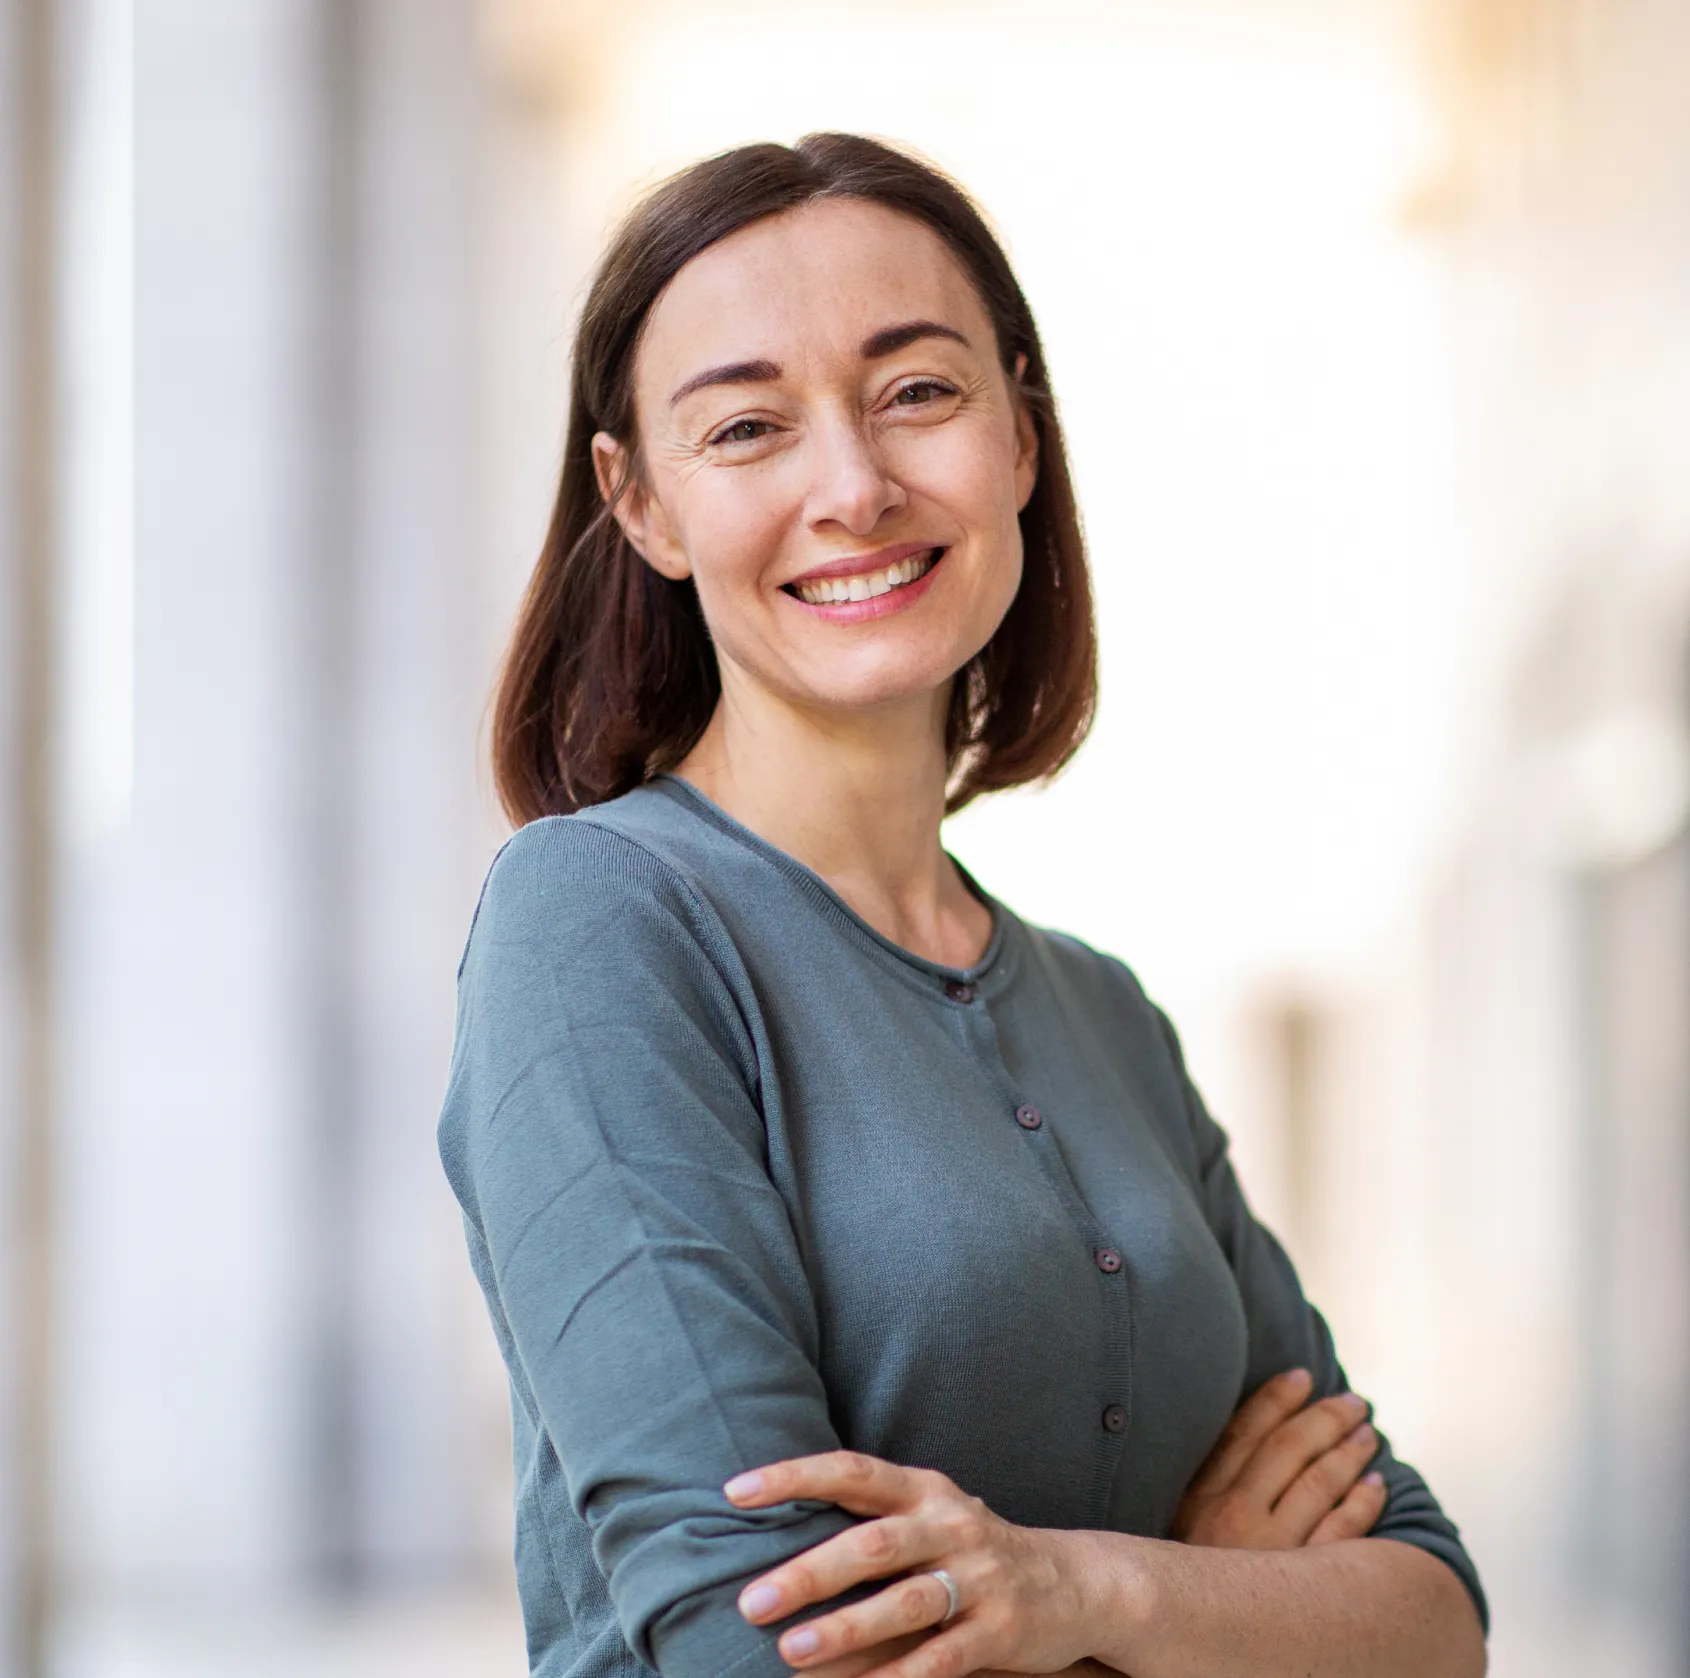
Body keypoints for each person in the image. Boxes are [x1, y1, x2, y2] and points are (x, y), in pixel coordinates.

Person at [437, 133, 1488, 1678]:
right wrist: (1224, 1608)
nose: (853, 486)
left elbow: (1432, 1615)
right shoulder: (597, 922)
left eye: (917, 391)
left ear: (1019, 434)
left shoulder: (1104, 1011)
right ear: (642, 504)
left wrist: (1091, 1595)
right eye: (744, 427)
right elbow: (750, 1652)